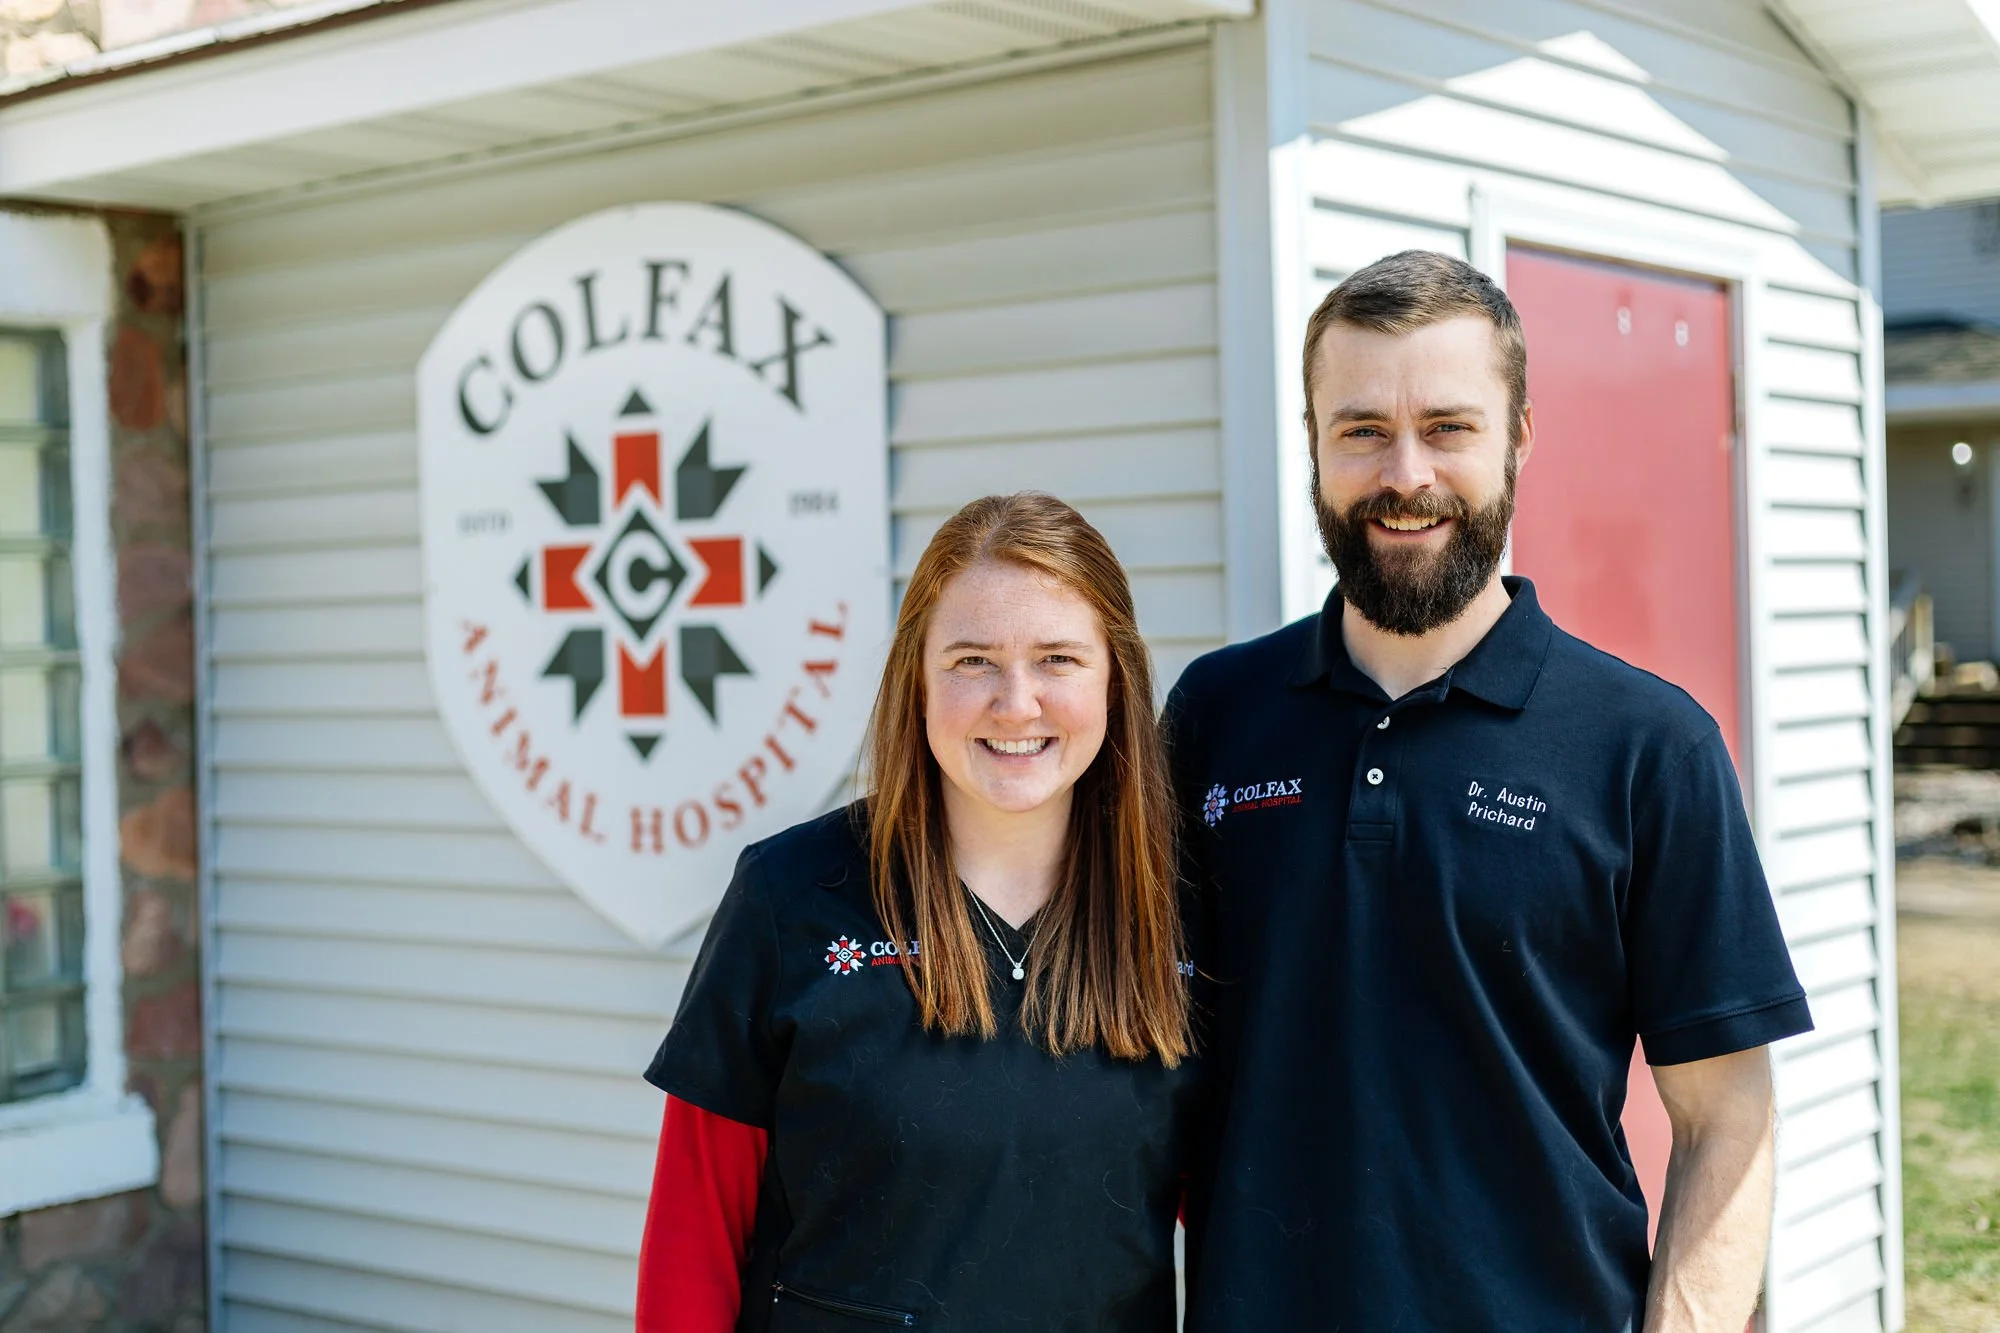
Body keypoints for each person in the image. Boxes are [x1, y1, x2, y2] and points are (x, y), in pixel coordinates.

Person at [1169, 250, 1813, 1332]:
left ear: (1517, 438)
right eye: (1360, 428)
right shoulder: (1215, 714)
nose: (1404, 473)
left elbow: (1724, 1117)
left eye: (1448, 427)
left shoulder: (1645, 745)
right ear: (1314, 447)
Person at [635, 492, 1199, 1332]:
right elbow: (694, 1234)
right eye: (973, 660)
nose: (1016, 702)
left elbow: (1247, 1219)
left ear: (1116, 678)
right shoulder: (790, 898)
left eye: (1057, 659)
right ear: (917, 682)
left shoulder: (1180, 917)